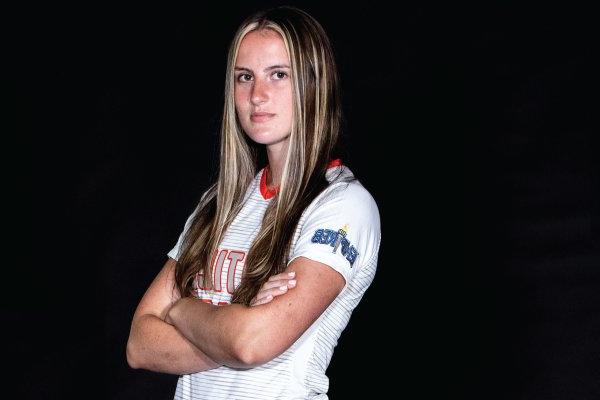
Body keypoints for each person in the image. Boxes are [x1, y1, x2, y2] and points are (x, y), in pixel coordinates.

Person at [126, 6, 381, 399]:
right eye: (245, 77)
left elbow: (251, 344)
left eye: (278, 75)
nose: (257, 96)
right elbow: (140, 344)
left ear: (314, 84)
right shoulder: (219, 202)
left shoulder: (343, 205)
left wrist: (181, 310)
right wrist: (232, 326)